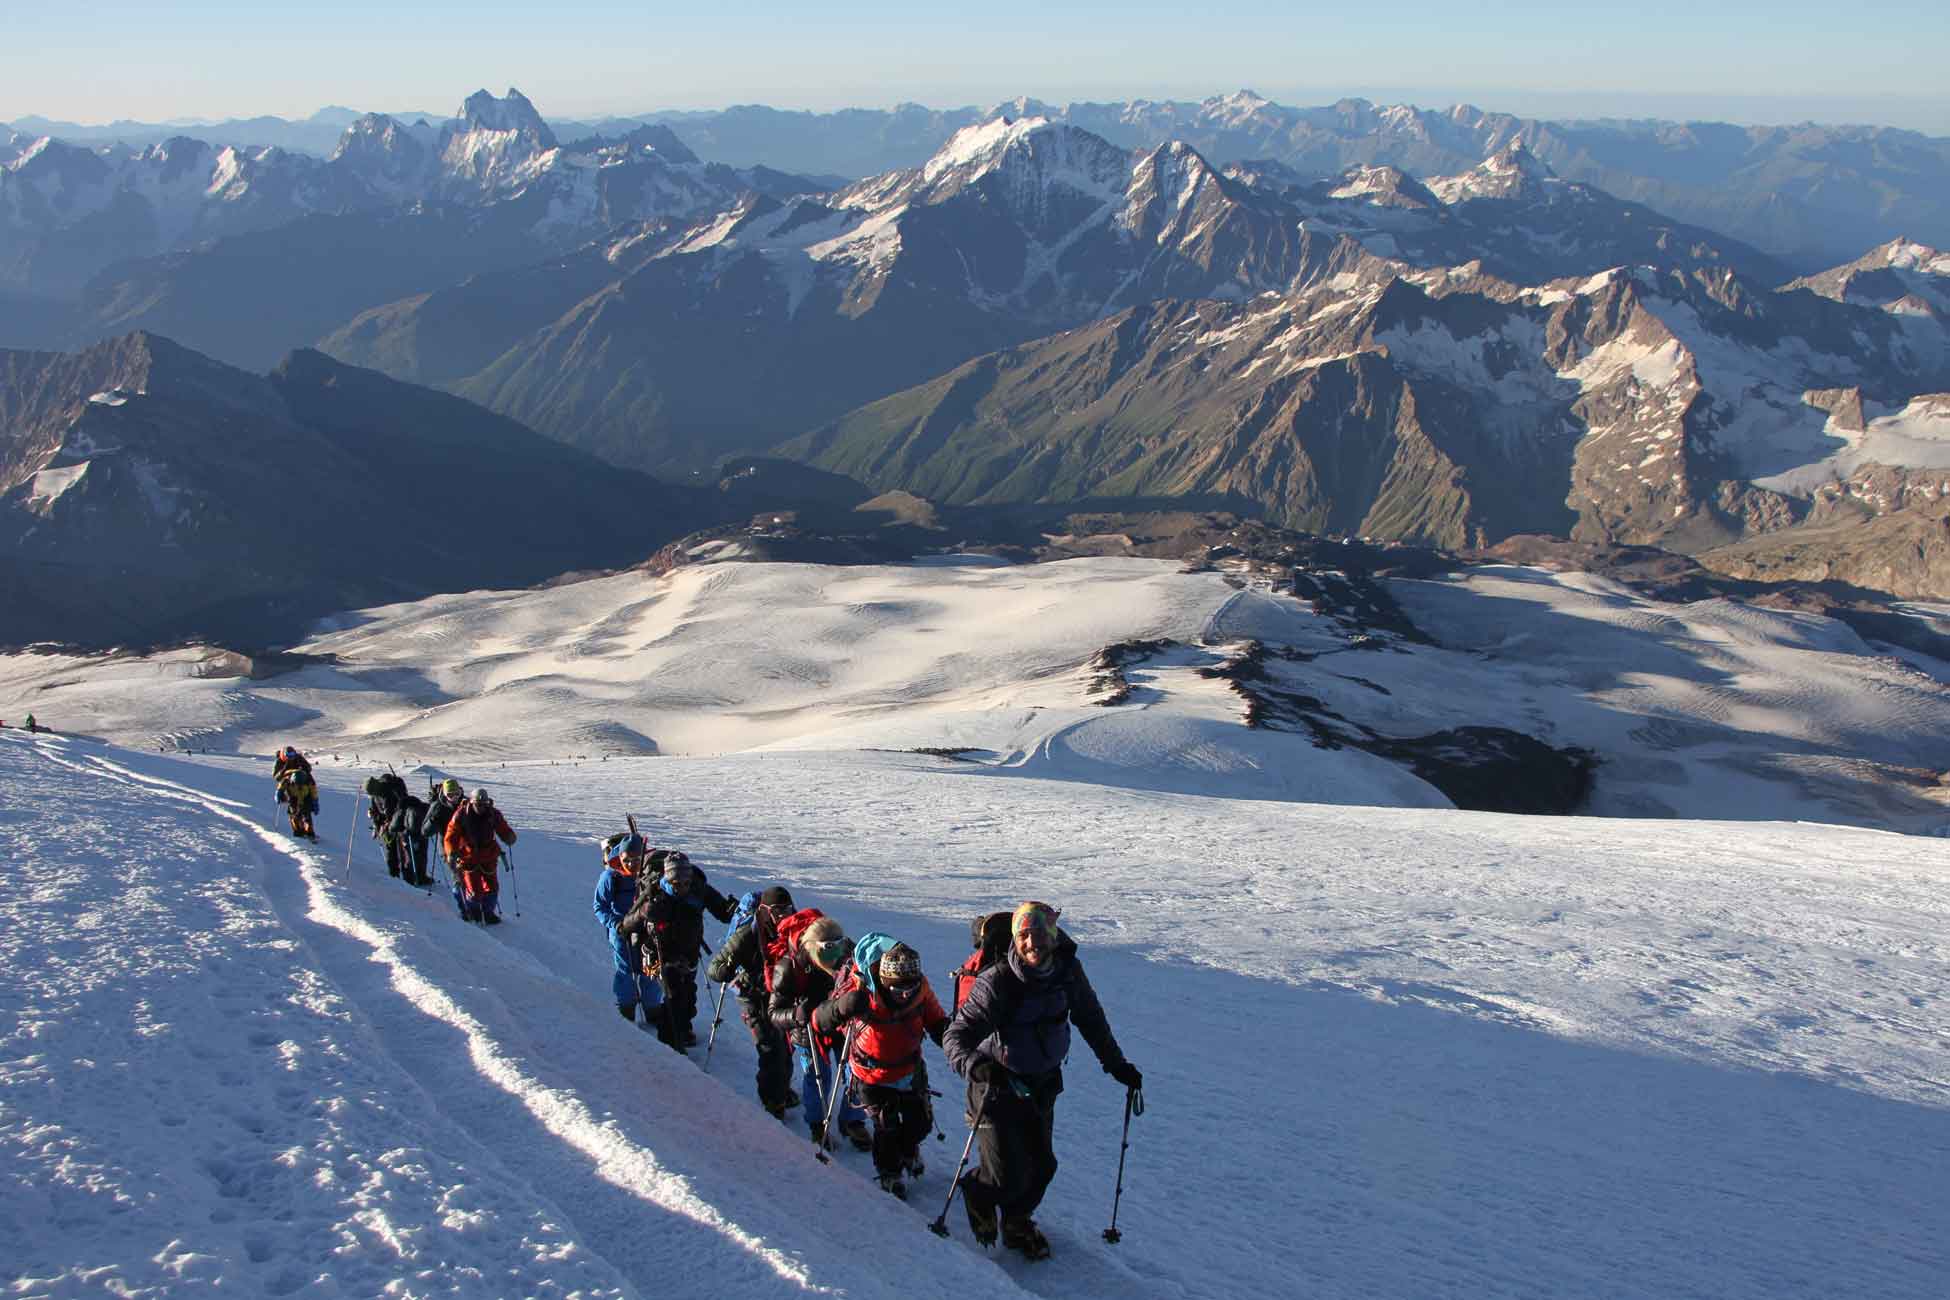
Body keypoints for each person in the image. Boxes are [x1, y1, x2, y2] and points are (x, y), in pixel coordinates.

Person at [942, 901, 1143, 1260]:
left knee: (1041, 1166)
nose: (1031, 943)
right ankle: (977, 1192)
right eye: (1023, 936)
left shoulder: (1068, 972)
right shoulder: (998, 980)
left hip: (1043, 1083)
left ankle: (1017, 1220)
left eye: (1038, 935)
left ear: (1053, 936)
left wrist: (1116, 1065)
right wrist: (977, 1067)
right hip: (994, 1086)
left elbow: (1090, 1018)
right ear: (1015, 941)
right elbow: (956, 1036)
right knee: (1004, 1175)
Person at [812, 934, 947, 1198]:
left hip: (909, 1069)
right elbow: (819, 1020)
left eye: (910, 987)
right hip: (871, 1074)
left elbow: (936, 1020)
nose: (905, 994)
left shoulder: (921, 989)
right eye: (898, 989)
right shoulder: (860, 991)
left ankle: (908, 1150)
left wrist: (953, 1040)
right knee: (886, 1128)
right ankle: (890, 1173)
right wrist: (842, 1007)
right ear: (883, 981)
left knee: (920, 1123)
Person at [769, 915, 870, 1149]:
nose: (836, 956)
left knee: (855, 1072)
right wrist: (795, 1014)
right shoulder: (790, 966)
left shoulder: (848, 952)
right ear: (813, 947)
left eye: (840, 945)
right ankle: (817, 1123)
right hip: (809, 1029)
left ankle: (852, 1118)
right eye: (828, 949)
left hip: (843, 1022)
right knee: (817, 1077)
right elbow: (774, 1013)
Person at [617, 850, 735, 1050]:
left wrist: (741, 909)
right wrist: (643, 913)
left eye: (686, 882)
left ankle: (683, 1031)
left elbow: (724, 912)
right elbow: (626, 925)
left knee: (688, 995)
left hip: (689, 951)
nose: (682, 887)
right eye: (676, 884)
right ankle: (670, 1046)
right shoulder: (654, 896)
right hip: (660, 954)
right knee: (674, 998)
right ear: (667, 879)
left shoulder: (699, 889)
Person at [705, 886, 798, 1117]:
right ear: (765, 911)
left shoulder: (791, 930)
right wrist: (729, 971)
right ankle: (772, 1102)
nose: (783, 916)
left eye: (787, 910)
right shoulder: (747, 935)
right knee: (770, 1048)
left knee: (785, 1047)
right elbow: (714, 969)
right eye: (777, 911)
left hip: (778, 994)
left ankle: (781, 1089)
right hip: (752, 996)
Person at [593, 831, 659, 1024]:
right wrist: (615, 923)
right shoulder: (610, 877)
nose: (630, 864)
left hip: (647, 932)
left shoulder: (649, 874)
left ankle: (653, 1008)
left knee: (650, 970)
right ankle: (626, 1009)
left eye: (635, 859)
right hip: (621, 933)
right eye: (625, 859)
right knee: (626, 972)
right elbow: (599, 906)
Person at [443, 789, 516, 923]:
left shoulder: (493, 814)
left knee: (492, 888)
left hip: (488, 856)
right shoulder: (461, 815)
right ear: (472, 802)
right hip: (468, 858)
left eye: (484, 804)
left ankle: (488, 913)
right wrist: (451, 852)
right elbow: (451, 835)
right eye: (479, 804)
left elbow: (502, 828)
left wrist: (508, 836)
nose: (482, 807)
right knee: (474, 890)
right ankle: (473, 912)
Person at [365, 773, 430, 886]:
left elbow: (393, 811)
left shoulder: (388, 793)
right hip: (392, 825)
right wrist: (377, 822)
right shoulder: (376, 794)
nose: (372, 795)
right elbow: (378, 811)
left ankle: (405, 878)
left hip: (400, 824)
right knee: (397, 851)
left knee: (402, 852)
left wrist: (383, 825)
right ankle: (398, 876)